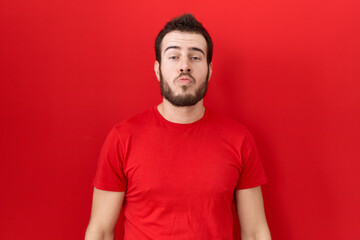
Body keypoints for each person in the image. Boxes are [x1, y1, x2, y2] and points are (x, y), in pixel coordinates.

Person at [85, 14, 271, 240]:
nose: (185, 66)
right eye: (173, 56)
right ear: (157, 69)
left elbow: (254, 232)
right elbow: (101, 231)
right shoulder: (122, 138)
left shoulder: (239, 139)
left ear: (210, 70)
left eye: (195, 57)